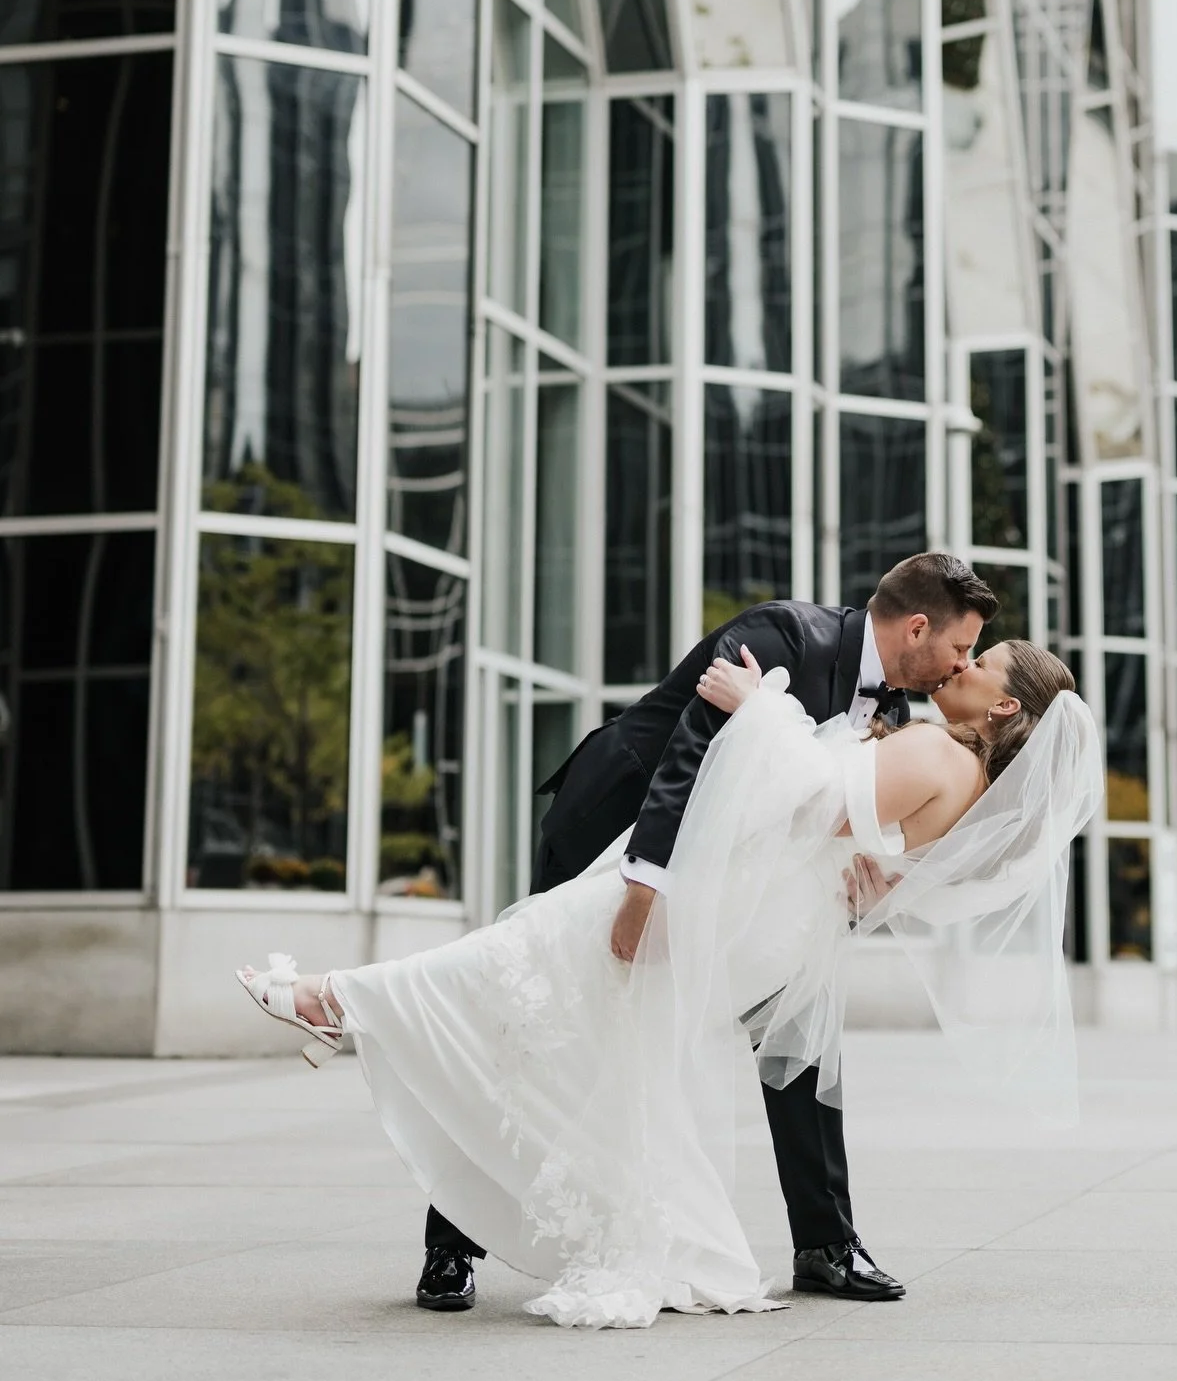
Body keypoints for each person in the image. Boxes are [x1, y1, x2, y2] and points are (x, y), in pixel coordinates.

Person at [236, 562, 1102, 1327]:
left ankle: (824, 1241)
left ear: (1001, 703)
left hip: (747, 897)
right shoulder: (788, 636)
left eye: (977, 659)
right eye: (964, 648)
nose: (961, 664)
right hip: (630, 826)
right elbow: (688, 757)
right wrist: (649, 882)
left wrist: (768, 721)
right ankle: (453, 1238)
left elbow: (825, 804)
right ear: (917, 628)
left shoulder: (917, 726)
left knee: (664, 1026)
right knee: (535, 1014)